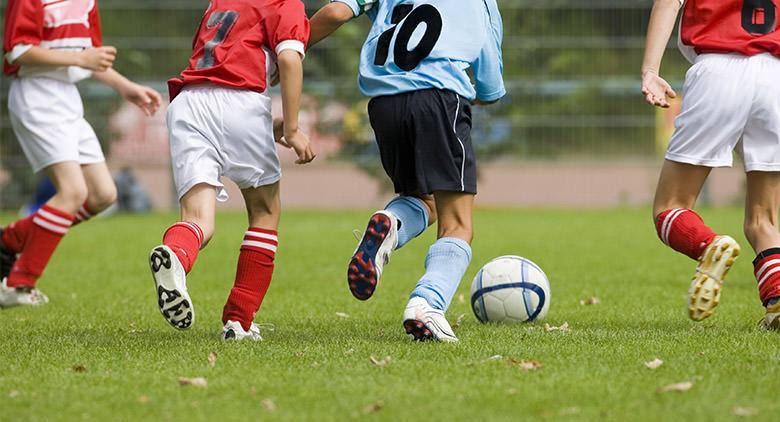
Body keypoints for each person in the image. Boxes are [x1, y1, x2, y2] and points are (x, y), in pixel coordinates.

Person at [309, 0, 505, 341]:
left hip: (384, 103)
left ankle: (392, 225)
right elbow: (489, 84)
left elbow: (335, 13)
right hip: (439, 97)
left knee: (422, 200)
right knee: (457, 223)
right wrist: (483, 94)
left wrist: (290, 50)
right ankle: (427, 304)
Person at [149, 0, 314, 340]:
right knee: (265, 212)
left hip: (189, 103)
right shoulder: (286, 4)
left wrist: (269, 125)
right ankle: (239, 321)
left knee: (197, 221)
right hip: (241, 102)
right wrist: (294, 128)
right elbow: (287, 59)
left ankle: (177, 257)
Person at [0, 0, 162, 308]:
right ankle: (18, 283)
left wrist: (125, 86)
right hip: (37, 96)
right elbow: (17, 51)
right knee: (72, 192)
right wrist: (80, 58)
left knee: (103, 194)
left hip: (67, 100)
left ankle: (9, 240)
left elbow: (92, 59)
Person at [641, 0, 780, 327]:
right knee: (764, 221)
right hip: (776, 76)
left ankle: (710, 246)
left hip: (718, 68)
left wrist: (650, 70)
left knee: (669, 206)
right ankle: (777, 302)